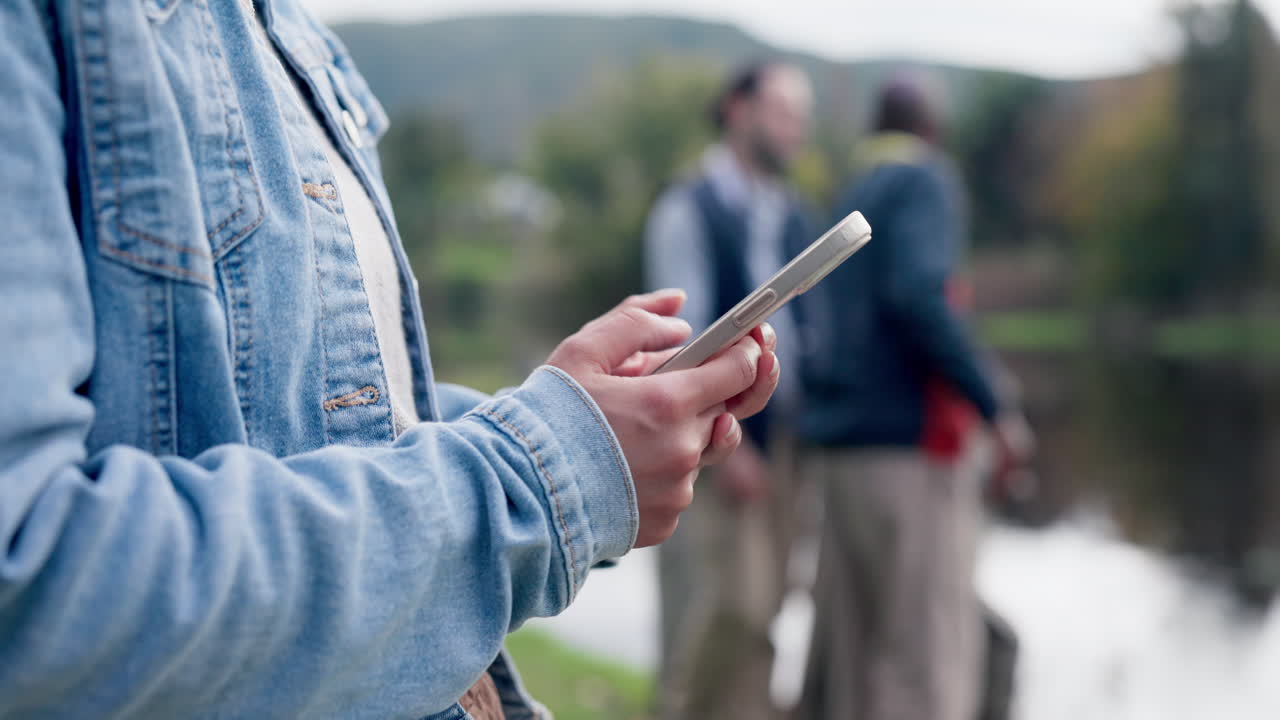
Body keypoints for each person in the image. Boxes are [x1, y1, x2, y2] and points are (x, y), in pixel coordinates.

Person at [0, 1, 782, 718]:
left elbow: (333, 418)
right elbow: (28, 592)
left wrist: (579, 421)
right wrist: (544, 479)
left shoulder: (290, 37)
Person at [794, 77, 1030, 720]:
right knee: (924, 660)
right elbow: (921, 294)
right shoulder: (925, 180)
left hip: (843, 452)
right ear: (931, 131)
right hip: (912, 453)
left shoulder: (850, 194)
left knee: (854, 657)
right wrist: (994, 405)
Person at [644, 61, 814, 720]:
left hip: (791, 438)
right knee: (729, 607)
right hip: (724, 444)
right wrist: (730, 444)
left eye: (801, 115)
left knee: (769, 605)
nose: (795, 129)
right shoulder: (687, 206)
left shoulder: (789, 211)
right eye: (782, 111)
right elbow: (682, 341)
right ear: (738, 110)